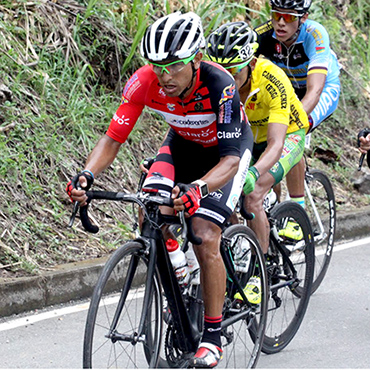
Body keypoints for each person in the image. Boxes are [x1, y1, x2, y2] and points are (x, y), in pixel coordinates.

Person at [66, 11, 253, 368]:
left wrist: (198, 187)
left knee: (203, 232)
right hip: (181, 146)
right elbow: (112, 138)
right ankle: (174, 262)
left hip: (224, 154)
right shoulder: (144, 82)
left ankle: (212, 337)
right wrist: (86, 175)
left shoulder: (220, 84)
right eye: (156, 66)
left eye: (174, 66)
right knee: (149, 204)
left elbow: (229, 161)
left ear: (197, 58)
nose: (164, 76)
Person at [206, 21, 309, 255]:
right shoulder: (212, 83)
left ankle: (257, 272)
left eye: (234, 71)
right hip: (247, 139)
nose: (227, 79)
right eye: (221, 71)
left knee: (253, 195)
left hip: (287, 133)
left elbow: (275, 143)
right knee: (222, 196)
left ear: (251, 63)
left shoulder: (272, 78)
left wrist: (254, 172)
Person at [254, 0, 341, 211]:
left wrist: (292, 122)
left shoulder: (315, 34)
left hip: (320, 88)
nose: (281, 23)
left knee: (293, 132)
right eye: (276, 16)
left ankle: (297, 210)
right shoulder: (263, 35)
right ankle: (270, 206)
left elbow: (315, 91)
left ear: (303, 17)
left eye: (290, 17)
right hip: (286, 90)